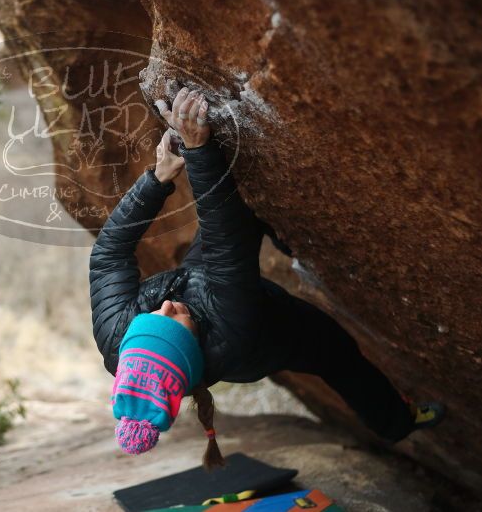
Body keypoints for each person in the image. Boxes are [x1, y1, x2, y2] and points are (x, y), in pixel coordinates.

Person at [89, 86, 445, 468]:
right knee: (336, 352)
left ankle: (285, 237)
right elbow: (227, 244)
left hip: (200, 281)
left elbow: (108, 255)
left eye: (152, 317)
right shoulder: (232, 328)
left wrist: (157, 180)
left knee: (239, 213)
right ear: (193, 350)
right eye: (176, 321)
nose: (166, 306)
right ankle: (397, 421)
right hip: (270, 333)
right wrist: (198, 151)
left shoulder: (115, 329)